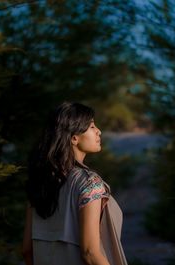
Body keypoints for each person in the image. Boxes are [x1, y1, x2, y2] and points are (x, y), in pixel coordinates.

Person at [22, 102, 127, 265]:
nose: (99, 131)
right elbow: (90, 253)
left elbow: (27, 250)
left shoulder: (39, 182)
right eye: (92, 126)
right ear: (74, 137)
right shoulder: (89, 183)